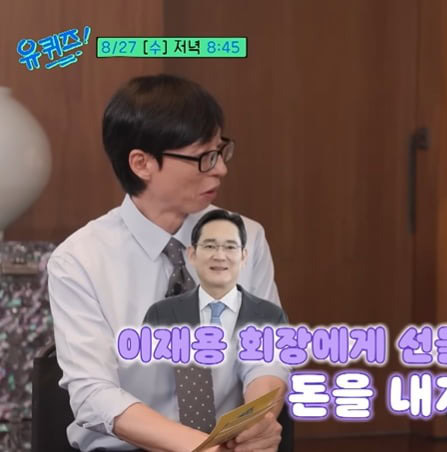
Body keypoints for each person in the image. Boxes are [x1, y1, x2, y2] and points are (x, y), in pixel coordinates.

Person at [47, 74, 285, 451]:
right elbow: (93, 393)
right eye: (204, 157)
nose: (220, 169)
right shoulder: (79, 260)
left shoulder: (245, 237)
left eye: (220, 151)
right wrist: (199, 446)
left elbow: (266, 352)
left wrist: (258, 421)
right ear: (142, 163)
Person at [143, 209, 288, 452]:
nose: (220, 256)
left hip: (235, 444)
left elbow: (266, 372)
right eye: (210, 246)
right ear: (192, 254)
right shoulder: (161, 313)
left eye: (230, 247)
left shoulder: (267, 314)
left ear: (244, 256)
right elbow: (142, 392)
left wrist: (256, 424)